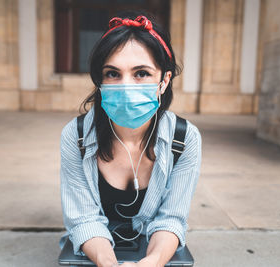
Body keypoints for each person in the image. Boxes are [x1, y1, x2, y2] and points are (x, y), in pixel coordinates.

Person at [59, 11, 202, 267]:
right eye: (113, 73)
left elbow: (172, 219)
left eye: (141, 73)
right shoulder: (76, 136)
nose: (126, 86)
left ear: (164, 80)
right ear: (100, 81)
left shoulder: (184, 139)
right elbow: (83, 219)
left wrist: (153, 262)